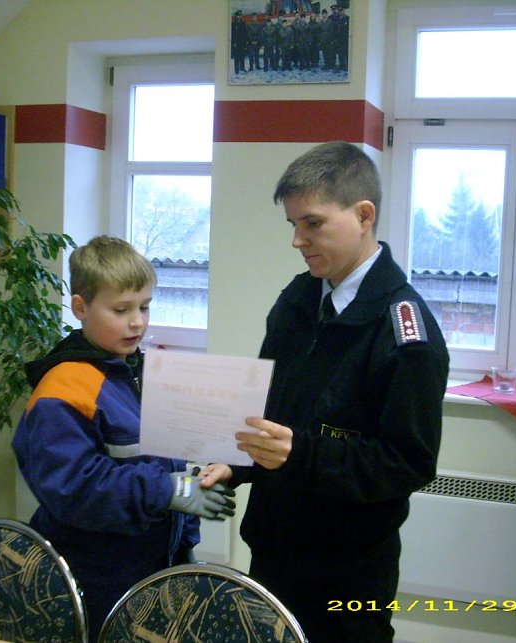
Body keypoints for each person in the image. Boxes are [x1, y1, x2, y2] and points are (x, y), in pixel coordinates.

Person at [200, 141, 449, 642]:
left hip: (348, 566)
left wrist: (302, 454)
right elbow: (270, 413)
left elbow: (408, 461)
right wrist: (239, 463)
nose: (297, 239)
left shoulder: (405, 331)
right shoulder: (297, 298)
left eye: (311, 223)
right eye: (292, 224)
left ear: (363, 215)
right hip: (275, 545)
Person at [11, 236, 236, 641]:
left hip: (151, 566)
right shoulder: (62, 389)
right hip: (94, 578)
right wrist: (165, 490)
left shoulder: (136, 371)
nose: (138, 322)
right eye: (121, 310)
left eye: (144, 306)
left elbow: (157, 458)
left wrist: (184, 529)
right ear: (80, 307)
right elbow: (75, 487)